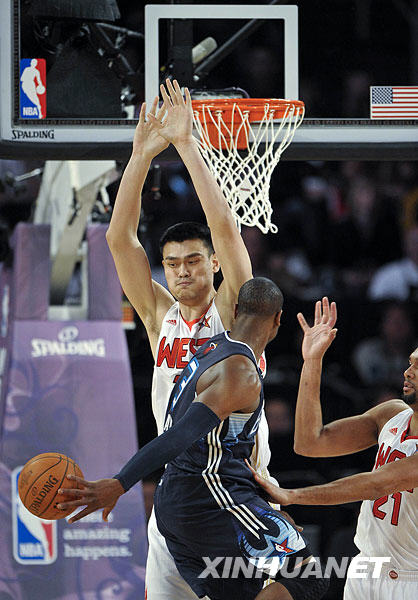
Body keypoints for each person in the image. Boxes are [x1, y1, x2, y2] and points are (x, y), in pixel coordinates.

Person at [105, 79, 276, 599]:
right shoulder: (160, 314)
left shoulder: (233, 314)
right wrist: (140, 155)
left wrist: (186, 145)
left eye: (193, 262)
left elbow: (224, 227)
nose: (181, 272)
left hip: (233, 490)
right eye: (173, 264)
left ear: (214, 266)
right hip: (178, 489)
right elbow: (120, 239)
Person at [58, 278, 329, 600]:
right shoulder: (240, 373)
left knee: (244, 590)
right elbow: (183, 435)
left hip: (180, 501)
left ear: (237, 310)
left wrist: (259, 505)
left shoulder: (210, 348)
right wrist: (119, 483)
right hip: (209, 498)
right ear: (278, 319)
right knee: (308, 577)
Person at [248, 297, 418, 600]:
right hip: (364, 567)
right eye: (409, 363)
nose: (408, 372)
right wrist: (312, 361)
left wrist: (293, 495)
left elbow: (376, 483)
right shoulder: (391, 414)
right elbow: (310, 442)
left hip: (410, 578)